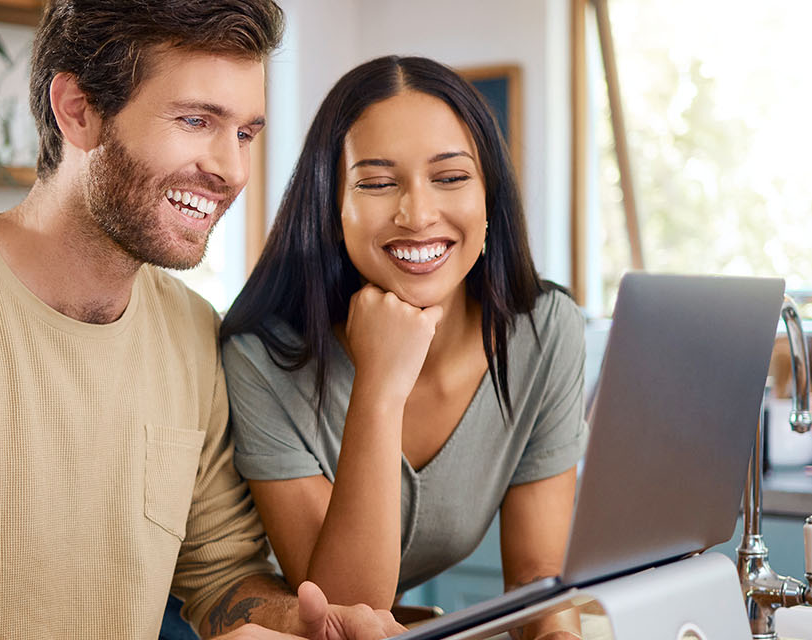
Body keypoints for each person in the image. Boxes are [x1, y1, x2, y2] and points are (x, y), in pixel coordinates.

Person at [0, 2, 405, 640]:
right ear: (77, 110)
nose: (232, 170)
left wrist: (301, 622)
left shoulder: (191, 333)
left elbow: (223, 577)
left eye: (244, 134)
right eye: (194, 120)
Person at [220, 56, 588, 640]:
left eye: (450, 177)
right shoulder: (261, 359)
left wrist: (560, 635)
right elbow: (343, 615)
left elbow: (536, 577)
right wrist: (380, 388)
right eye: (376, 182)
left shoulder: (544, 334)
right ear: (331, 205)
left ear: (489, 195)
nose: (417, 214)